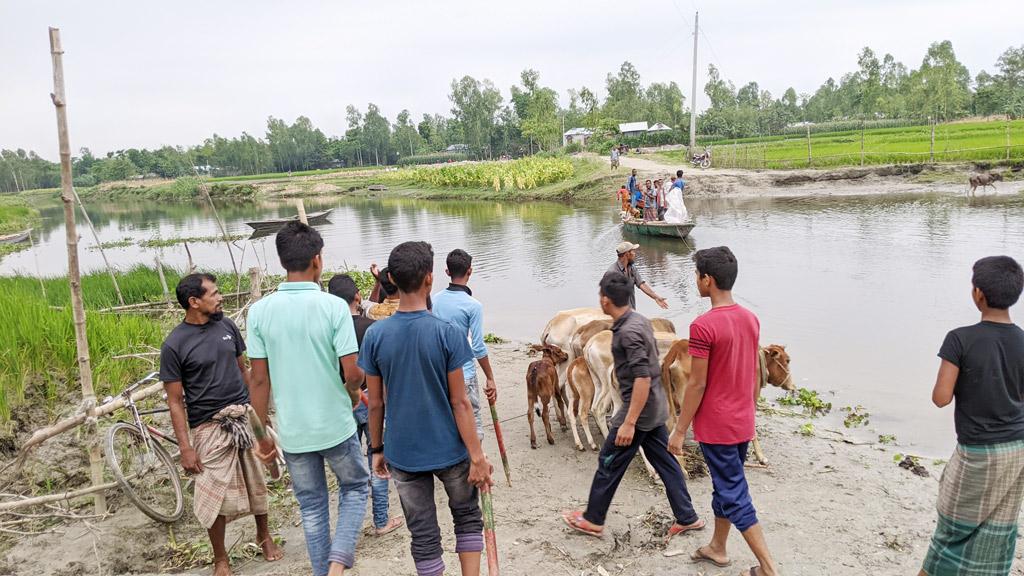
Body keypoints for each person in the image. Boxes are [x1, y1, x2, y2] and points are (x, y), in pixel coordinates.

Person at [359, 241, 494, 576]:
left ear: (391, 277)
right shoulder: (447, 333)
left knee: (423, 534)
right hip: (451, 448)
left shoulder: (376, 335)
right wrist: (477, 456)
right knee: (466, 517)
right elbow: (460, 401)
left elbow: (375, 402)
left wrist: (377, 448)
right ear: (430, 279)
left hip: (402, 453)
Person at [247, 222, 368, 576]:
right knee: (356, 487)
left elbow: (258, 379)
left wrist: (263, 434)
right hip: (335, 425)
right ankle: (336, 565)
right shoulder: (333, 307)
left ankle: (322, 570)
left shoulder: (260, 312)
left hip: (295, 431)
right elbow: (353, 371)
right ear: (317, 260)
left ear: (283, 261)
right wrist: (353, 392)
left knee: (312, 506)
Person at [562, 272, 703, 540]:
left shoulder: (627, 331)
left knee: (609, 461)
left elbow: (642, 378)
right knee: (667, 463)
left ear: (605, 300)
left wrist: (628, 422)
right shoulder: (638, 321)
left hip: (639, 413)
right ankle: (688, 517)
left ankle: (593, 519)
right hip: (655, 408)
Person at [160, 273, 283, 576]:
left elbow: (245, 371)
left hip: (245, 414)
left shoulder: (227, 327)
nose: (220, 298)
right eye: (214, 294)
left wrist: (261, 414)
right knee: (209, 489)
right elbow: (175, 400)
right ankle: (220, 558)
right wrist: (186, 448)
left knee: (258, 478)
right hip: (209, 425)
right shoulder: (174, 344)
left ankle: (264, 536)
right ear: (194, 301)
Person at [668, 246, 779, 576]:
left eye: (697, 275)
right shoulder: (750, 318)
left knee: (734, 494)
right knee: (725, 486)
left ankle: (769, 569)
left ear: (708, 280)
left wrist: (678, 429)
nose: (696, 281)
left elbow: (697, 384)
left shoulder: (703, 326)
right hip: (743, 421)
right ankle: (718, 547)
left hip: (717, 426)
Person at [919, 256, 1024, 576]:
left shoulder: (959, 338)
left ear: (978, 294)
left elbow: (940, 398)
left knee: (951, 530)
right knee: (997, 531)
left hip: (977, 451)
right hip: (1017, 449)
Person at [327, 274, 405, 537]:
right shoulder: (370, 327)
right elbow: (383, 368)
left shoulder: (328, 331)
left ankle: (347, 527)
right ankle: (381, 520)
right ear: (357, 297)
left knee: (347, 470)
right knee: (377, 458)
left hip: (341, 403)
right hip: (371, 400)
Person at [431, 249, 498, 439]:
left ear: (447, 272)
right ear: (470, 271)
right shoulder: (473, 305)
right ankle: (474, 465)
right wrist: (490, 377)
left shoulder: (434, 301)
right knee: (472, 423)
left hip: (440, 374)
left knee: (448, 424)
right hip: (465, 375)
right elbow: (478, 347)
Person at [608, 242, 669, 310]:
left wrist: (656, 297)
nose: (635, 254)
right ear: (627, 254)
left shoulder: (631, 267)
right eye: (633, 251)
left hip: (631, 311)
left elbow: (641, 283)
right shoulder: (612, 273)